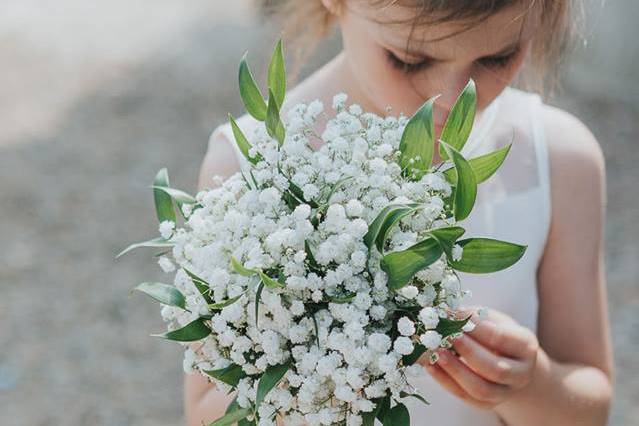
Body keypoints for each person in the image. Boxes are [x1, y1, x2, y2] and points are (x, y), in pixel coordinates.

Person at [186, 1, 613, 425]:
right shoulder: (251, 170)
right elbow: (205, 412)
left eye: (497, 56)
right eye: (410, 60)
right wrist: (313, 384)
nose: (451, 97)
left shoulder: (557, 161)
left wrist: (532, 385)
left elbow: (592, 407)